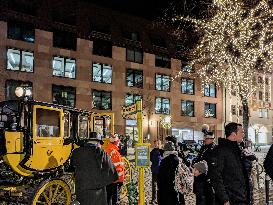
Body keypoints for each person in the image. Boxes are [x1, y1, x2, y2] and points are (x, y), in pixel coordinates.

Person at [71, 132, 118, 205]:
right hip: (97, 193)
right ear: (97, 143)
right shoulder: (101, 153)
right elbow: (111, 172)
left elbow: (72, 168)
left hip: (81, 190)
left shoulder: (76, 152)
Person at [208, 122, 249, 205]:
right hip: (230, 200)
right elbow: (215, 177)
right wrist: (224, 199)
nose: (243, 135)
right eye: (242, 132)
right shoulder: (220, 151)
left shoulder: (237, 150)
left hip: (240, 198)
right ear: (234, 134)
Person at [192, 124, 217, 205]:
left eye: (206, 138)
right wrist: (194, 163)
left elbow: (212, 164)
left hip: (206, 180)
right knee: (200, 199)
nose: (204, 140)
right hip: (199, 179)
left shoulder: (214, 149)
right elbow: (199, 158)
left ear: (211, 139)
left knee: (205, 199)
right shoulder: (204, 147)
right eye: (204, 138)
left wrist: (201, 170)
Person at [157, 141, 185, 205]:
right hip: (177, 188)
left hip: (167, 190)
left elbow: (161, 177)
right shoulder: (178, 159)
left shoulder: (165, 161)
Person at [105, 134, 125, 205]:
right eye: (118, 142)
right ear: (116, 142)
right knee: (115, 201)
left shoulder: (105, 151)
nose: (119, 143)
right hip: (115, 181)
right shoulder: (116, 153)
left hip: (107, 180)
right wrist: (121, 181)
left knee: (107, 199)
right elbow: (119, 169)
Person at [240, 141, 257, 205]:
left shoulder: (243, 155)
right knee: (249, 193)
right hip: (248, 179)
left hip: (246, 180)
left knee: (248, 193)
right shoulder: (250, 154)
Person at [150, 139, 163, 204]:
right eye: (155, 144)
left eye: (158, 144)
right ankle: (154, 199)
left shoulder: (162, 151)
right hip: (155, 171)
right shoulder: (152, 151)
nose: (156, 145)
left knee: (159, 186)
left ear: (160, 144)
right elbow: (150, 159)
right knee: (154, 185)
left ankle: (158, 199)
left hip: (160, 171)